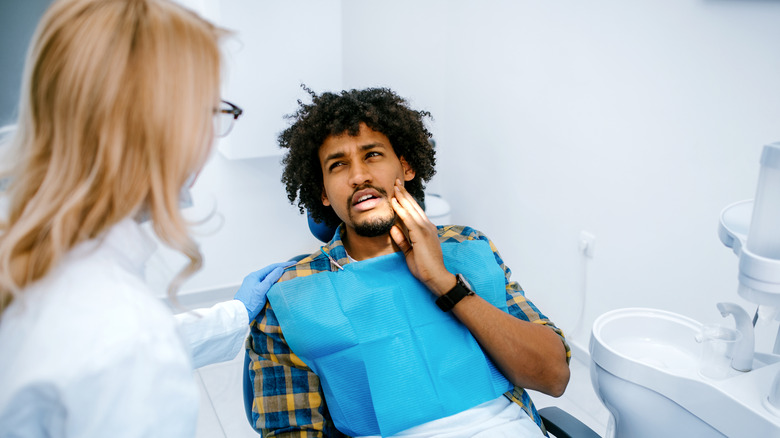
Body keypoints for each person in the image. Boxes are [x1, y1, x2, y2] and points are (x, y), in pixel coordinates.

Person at [0, 0, 285, 436]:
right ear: (162, 128)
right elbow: (119, 349)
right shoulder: (127, 338)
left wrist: (234, 314)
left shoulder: (24, 243)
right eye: (213, 111)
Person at [246, 87, 571, 438]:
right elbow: (290, 430)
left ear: (406, 166)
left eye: (372, 155)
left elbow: (553, 376)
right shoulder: (290, 298)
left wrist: (445, 283)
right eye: (338, 165)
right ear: (323, 192)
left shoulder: (469, 247)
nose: (358, 176)